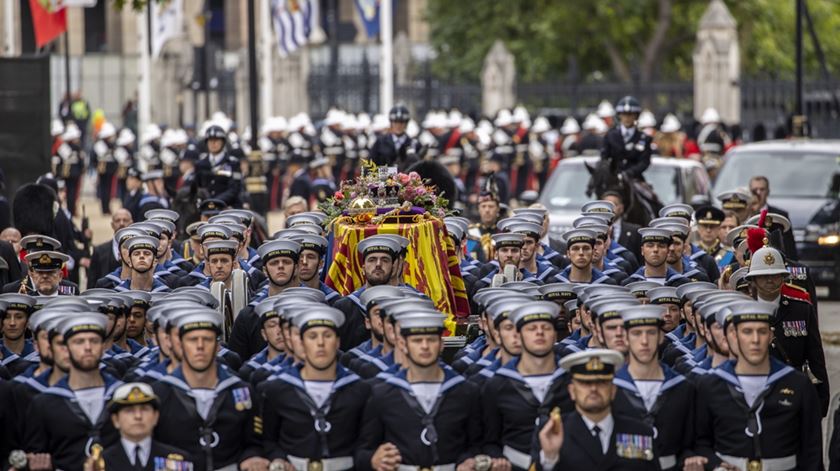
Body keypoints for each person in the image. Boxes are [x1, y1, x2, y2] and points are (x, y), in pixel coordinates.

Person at [691, 301, 822, 471]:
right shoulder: (709, 384)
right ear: (733, 335)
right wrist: (715, 465)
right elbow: (699, 442)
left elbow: (812, 450)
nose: (755, 340)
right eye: (747, 332)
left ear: (771, 335)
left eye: (762, 331)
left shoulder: (798, 384)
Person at [357, 309, 482, 471]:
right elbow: (361, 451)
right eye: (417, 340)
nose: (424, 346)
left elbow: (479, 444)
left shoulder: (466, 392)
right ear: (402, 344)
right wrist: (373, 459)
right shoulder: (381, 393)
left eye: (431, 340)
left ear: (442, 344)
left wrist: (469, 460)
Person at [152, 308, 265, 471]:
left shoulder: (241, 391)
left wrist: (252, 457)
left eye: (207, 339)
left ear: (218, 346)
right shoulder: (159, 393)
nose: (200, 346)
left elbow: (255, 442)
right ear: (179, 345)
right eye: (192, 340)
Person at [260, 305, 370, 470]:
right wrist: (277, 459)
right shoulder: (276, 389)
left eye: (327, 336)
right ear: (301, 344)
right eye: (312, 336)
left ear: (338, 342)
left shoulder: (360, 389)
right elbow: (267, 440)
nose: (320, 343)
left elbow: (368, 443)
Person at [24, 312, 124, 471]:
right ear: (66, 348)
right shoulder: (45, 403)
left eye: (94, 341)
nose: (88, 347)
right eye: (79, 342)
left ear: (104, 346)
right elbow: (37, 453)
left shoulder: (122, 394)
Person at [481, 301, 573, 470]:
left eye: (546, 328)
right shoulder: (497, 384)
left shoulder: (572, 380)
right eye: (531, 329)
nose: (539, 333)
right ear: (519, 335)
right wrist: (497, 458)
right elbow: (488, 440)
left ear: (555, 335)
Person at [538, 349, 658, 471]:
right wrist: (549, 459)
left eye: (601, 382)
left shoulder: (640, 432)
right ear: (572, 391)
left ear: (613, 390)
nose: (594, 389)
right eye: (585, 383)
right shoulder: (553, 432)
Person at [746, 244, 829, 416]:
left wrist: (821, 403)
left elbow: (816, 358)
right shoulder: (743, 313)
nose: (770, 280)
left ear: (783, 277)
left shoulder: (802, 310)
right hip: (754, 396)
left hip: (795, 396)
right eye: (763, 276)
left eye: (775, 275)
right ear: (753, 280)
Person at [611, 305, 696, 471]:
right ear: (625, 338)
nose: (644, 341)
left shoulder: (682, 386)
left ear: (661, 337)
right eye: (636, 333)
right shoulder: (611, 388)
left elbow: (691, 442)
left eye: (651, 333)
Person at [89, 382, 193, 470]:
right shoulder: (101, 463)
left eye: (144, 409)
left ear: (156, 416)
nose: (138, 416)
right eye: (129, 411)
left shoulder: (176, 460)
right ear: (116, 420)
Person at [334, 236, 403, 352]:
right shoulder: (344, 307)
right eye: (372, 260)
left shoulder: (404, 305)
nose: (378, 264)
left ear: (393, 267)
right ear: (363, 268)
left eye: (385, 260)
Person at [600, 96, 653, 181]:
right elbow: (604, 158)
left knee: (649, 194)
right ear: (619, 115)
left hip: (634, 179)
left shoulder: (644, 138)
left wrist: (629, 173)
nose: (627, 118)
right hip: (613, 179)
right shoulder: (610, 136)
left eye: (630, 115)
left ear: (636, 116)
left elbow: (644, 162)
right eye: (624, 114)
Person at [193, 125, 243, 207]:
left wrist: (216, 201)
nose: (213, 144)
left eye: (216, 140)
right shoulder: (200, 164)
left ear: (223, 142)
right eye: (210, 141)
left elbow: (234, 188)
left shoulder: (233, 163)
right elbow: (196, 187)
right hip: (205, 206)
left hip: (228, 206)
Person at [621, 228, 688, 287]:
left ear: (668, 250)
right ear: (642, 251)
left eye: (661, 246)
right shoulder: (629, 284)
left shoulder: (682, 284)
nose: (655, 250)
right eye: (650, 245)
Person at [89, 209, 133, 288]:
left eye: (125, 220)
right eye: (118, 220)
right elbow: (91, 284)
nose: (121, 223)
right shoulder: (99, 251)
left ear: (131, 223)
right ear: (112, 224)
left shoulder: (139, 251)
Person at [369, 105, 422, 171]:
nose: (398, 125)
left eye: (402, 122)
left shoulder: (414, 144)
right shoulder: (380, 142)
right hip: (382, 180)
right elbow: (370, 166)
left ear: (406, 123)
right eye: (395, 122)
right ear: (391, 123)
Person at [4, 250, 78, 296]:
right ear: (32, 276)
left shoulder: (69, 301)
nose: (45, 276)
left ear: (60, 276)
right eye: (40, 273)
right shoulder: (25, 302)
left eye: (50, 272)